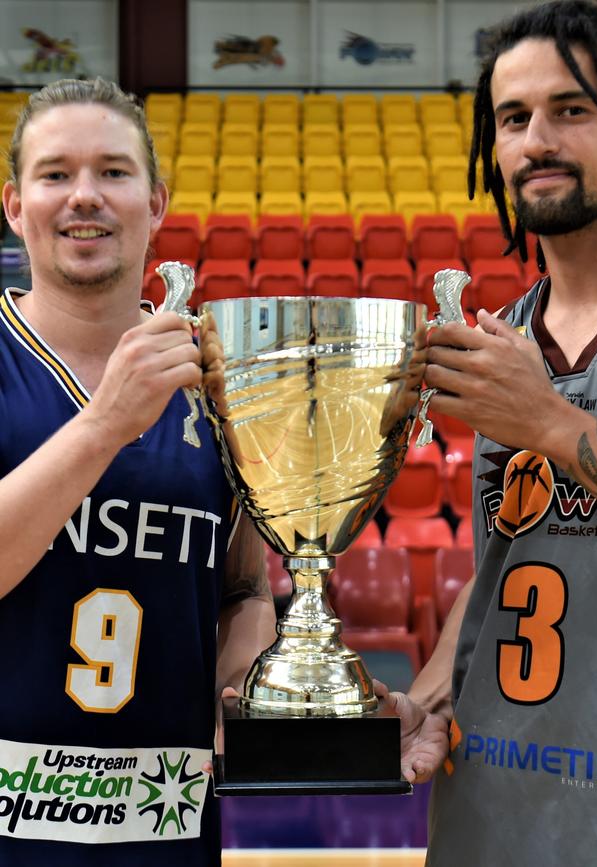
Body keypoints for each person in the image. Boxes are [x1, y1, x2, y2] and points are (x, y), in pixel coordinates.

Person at [375, 1, 597, 863]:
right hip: (492, 807)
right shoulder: (505, 335)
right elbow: (510, 551)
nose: (537, 139)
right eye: (513, 118)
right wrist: (432, 696)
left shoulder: (521, 382)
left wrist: (552, 424)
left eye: (573, 109)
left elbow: (557, 435)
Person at [0, 78, 277, 865]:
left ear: (155, 204)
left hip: (167, 825)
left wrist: (244, 672)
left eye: (113, 173)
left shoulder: (218, 380)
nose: (84, 196)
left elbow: (245, 587)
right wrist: (104, 424)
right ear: (16, 204)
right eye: (55, 174)